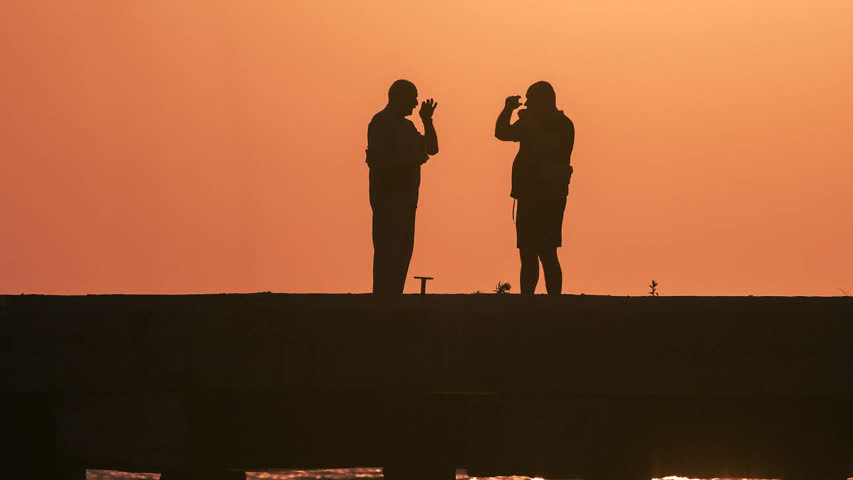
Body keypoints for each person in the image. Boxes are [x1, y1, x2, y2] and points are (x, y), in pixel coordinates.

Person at [495, 81, 574, 295]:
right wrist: (508, 110)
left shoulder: (561, 125)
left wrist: (528, 123)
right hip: (530, 195)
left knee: (547, 252)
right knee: (528, 252)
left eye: (531, 99)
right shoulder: (534, 123)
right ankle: (527, 300)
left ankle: (552, 302)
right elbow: (502, 133)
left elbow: (545, 147)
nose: (527, 104)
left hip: (548, 197)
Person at [366, 80, 439, 294]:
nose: (416, 103)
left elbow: (432, 148)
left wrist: (427, 121)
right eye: (413, 98)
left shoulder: (407, 126)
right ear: (399, 98)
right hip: (388, 200)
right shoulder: (381, 122)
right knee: (387, 251)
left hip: (407, 201)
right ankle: (382, 299)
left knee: (403, 251)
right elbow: (381, 162)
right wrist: (411, 159)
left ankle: (395, 296)